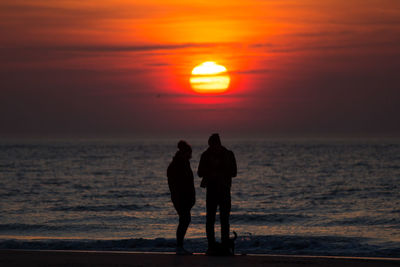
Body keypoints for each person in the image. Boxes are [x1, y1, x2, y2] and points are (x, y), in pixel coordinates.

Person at [197, 133, 237, 255]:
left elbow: (234, 172)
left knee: (224, 220)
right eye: (210, 146)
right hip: (212, 192)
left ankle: (225, 246)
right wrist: (210, 172)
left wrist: (221, 171)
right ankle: (211, 246)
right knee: (210, 220)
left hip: (224, 191)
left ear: (217, 143)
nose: (211, 148)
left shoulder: (228, 155)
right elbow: (199, 173)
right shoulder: (206, 155)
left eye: (212, 145)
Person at [167, 140, 196, 255]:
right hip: (180, 197)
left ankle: (180, 246)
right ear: (185, 152)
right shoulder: (177, 164)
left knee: (184, 220)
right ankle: (179, 247)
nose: (190, 155)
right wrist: (180, 196)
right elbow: (176, 183)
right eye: (189, 153)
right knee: (185, 220)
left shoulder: (184, 163)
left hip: (184, 197)